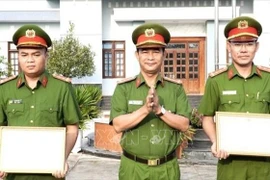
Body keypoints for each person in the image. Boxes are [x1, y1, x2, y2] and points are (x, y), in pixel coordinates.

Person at [110, 23, 191, 180]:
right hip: (133, 169)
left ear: (164, 54)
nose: (150, 57)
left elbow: (184, 124)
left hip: (167, 169)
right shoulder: (124, 88)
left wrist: (160, 110)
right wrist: (145, 110)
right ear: (137, 55)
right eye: (145, 51)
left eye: (156, 51)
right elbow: (118, 125)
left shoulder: (176, 89)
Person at [0, 24, 82, 180]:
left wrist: (61, 158)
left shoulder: (62, 88)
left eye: (36, 54)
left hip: (50, 174)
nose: (30, 60)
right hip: (14, 173)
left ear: (46, 56)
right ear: (18, 56)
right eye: (24, 55)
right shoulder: (4, 89)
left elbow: (72, 127)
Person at [198, 16, 270, 180]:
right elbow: (207, 117)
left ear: (256, 46)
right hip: (230, 164)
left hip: (264, 166)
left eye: (249, 43)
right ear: (228, 46)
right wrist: (216, 141)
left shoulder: (268, 79)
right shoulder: (216, 81)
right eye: (237, 44)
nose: (243, 50)